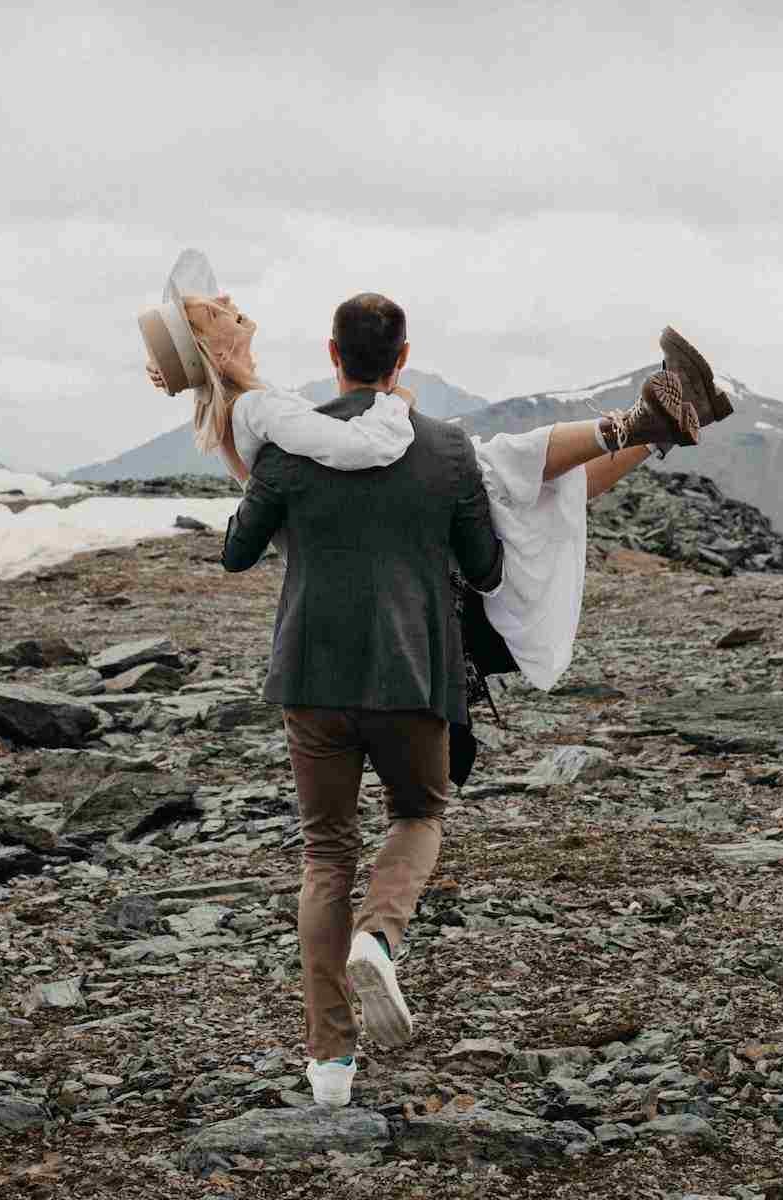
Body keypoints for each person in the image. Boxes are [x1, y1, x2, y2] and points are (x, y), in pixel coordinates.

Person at [139, 256, 731, 1110]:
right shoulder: (394, 438)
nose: (236, 310)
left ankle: (329, 1065)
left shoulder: (273, 441)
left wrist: (208, 396)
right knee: (419, 811)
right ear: (402, 354)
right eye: (222, 312)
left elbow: (238, 545)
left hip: (309, 674)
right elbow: (486, 564)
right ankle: (379, 937)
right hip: (413, 667)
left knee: (322, 857)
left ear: (331, 353)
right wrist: (443, 521)